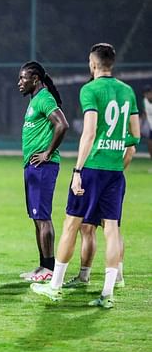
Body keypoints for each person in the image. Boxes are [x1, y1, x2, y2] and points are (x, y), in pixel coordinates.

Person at [30, 43, 141, 308]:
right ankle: (107, 293)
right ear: (111, 64)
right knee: (111, 229)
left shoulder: (90, 89)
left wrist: (78, 170)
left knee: (71, 224)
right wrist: (115, 142)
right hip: (115, 170)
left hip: (91, 168)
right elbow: (135, 136)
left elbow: (89, 132)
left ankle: (54, 286)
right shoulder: (127, 91)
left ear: (92, 64)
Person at [17, 61, 69, 282]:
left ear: (35, 79)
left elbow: (62, 124)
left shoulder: (45, 98)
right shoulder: (35, 100)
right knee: (37, 218)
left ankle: (49, 268)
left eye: (23, 78)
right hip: (33, 166)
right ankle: (42, 267)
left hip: (43, 166)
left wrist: (47, 152)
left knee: (43, 218)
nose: (19, 82)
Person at [63, 146, 135, 288]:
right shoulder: (124, 124)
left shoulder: (97, 124)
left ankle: (84, 276)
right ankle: (117, 276)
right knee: (112, 228)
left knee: (87, 227)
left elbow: (88, 137)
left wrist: (77, 171)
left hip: (93, 174)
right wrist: (117, 171)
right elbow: (131, 150)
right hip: (113, 176)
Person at [140, 85, 152, 159]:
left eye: (149, 92)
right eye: (146, 93)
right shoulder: (144, 101)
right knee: (150, 143)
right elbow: (144, 113)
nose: (148, 95)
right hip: (151, 127)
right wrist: (140, 126)